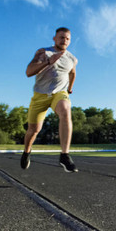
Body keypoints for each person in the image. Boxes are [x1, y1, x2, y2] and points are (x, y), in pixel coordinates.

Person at [21, 27, 78, 172]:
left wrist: (70, 88)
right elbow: (28, 72)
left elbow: (72, 72)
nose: (64, 40)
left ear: (70, 41)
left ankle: (64, 155)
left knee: (65, 110)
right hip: (40, 96)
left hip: (59, 93)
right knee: (33, 130)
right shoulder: (43, 52)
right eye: (61, 37)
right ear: (54, 38)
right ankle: (27, 151)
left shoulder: (72, 58)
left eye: (67, 38)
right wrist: (48, 62)